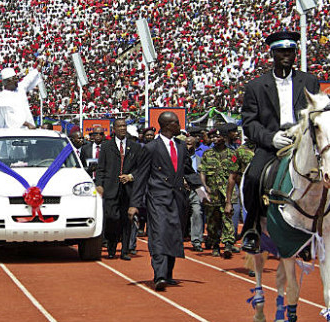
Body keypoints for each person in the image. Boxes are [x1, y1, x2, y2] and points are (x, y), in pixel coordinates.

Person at [241, 30, 320, 253]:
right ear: (272, 54)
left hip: (302, 142)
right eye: (281, 51)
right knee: (254, 177)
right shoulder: (256, 86)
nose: (286, 55)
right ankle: (252, 227)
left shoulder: (310, 82)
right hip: (272, 144)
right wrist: (271, 138)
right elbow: (249, 122)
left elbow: (317, 113)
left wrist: (303, 133)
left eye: (290, 51)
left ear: (296, 54)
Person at [128, 111, 204, 290]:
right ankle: (159, 275)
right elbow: (141, 176)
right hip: (157, 198)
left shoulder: (181, 146)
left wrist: (202, 192)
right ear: (168, 125)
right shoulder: (151, 148)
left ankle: (168, 274)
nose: (179, 126)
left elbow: (187, 170)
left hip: (178, 198)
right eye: (177, 123)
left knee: (173, 235)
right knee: (159, 234)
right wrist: (134, 204)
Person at [96, 119, 142, 260]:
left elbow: (140, 168)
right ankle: (111, 247)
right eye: (120, 126)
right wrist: (100, 184)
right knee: (111, 219)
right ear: (114, 128)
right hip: (110, 188)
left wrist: (130, 177)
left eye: (124, 126)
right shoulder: (106, 146)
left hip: (128, 189)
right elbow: (101, 168)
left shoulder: (135, 147)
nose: (122, 128)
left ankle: (125, 250)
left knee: (126, 220)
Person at [198, 126, 240, 258]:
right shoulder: (207, 154)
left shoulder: (233, 154)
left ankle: (228, 244)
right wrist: (205, 187)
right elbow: (202, 172)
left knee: (228, 218)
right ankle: (215, 244)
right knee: (212, 221)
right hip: (212, 193)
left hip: (227, 193)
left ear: (224, 137)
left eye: (218, 136)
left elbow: (235, 174)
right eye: (213, 137)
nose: (215, 139)